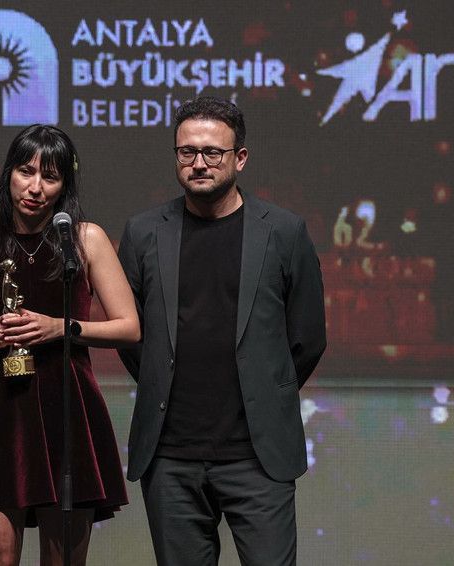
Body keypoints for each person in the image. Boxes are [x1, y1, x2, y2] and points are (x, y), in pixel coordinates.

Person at [117, 97, 326, 565]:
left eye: (213, 152)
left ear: (240, 158)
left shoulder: (284, 231)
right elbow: (132, 338)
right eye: (187, 151)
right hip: (170, 456)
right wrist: (161, 381)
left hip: (258, 455)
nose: (199, 163)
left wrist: (265, 390)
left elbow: (308, 337)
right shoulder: (144, 232)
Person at [0, 124, 140, 566]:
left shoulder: (86, 240)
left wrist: (61, 328)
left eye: (50, 177)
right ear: (9, 175)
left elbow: (129, 328)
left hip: (69, 410)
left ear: (64, 186)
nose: (35, 187)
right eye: (26, 172)